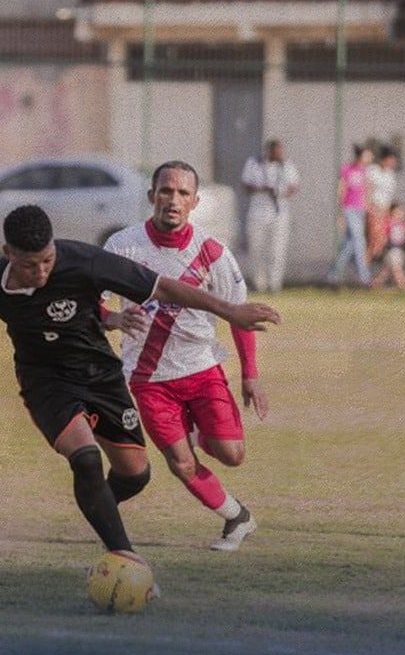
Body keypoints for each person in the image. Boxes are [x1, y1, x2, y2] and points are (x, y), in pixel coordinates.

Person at [0, 205, 280, 570]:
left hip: (101, 376)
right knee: (86, 460)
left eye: (47, 260)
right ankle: (123, 554)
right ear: (8, 255)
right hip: (45, 382)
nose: (41, 271)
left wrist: (231, 311)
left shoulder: (84, 261)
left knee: (135, 476)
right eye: (29, 264)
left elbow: (163, 286)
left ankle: (96, 506)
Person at [103, 161, 267, 552]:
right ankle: (237, 517)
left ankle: (198, 429)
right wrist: (111, 318)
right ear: (151, 197)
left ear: (195, 201)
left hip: (201, 369)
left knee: (232, 455)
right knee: (182, 463)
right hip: (147, 380)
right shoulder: (121, 247)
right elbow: (94, 301)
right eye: (165, 191)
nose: (172, 200)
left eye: (181, 193)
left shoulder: (212, 251)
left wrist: (250, 373)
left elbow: (238, 313)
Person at [241, 139, 299, 293]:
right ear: (269, 151)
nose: (280, 155)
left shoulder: (287, 166)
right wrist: (264, 189)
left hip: (279, 214)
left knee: (277, 250)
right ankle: (259, 284)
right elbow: (246, 185)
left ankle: (275, 284)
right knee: (256, 249)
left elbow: (293, 187)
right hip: (257, 213)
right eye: (276, 152)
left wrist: (280, 192)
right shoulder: (254, 163)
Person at [328, 145, 374, 287]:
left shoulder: (364, 171)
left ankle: (332, 276)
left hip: (360, 209)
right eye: (367, 155)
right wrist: (340, 211)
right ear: (360, 156)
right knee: (360, 241)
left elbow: (366, 190)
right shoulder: (347, 169)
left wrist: (368, 207)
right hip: (349, 209)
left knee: (349, 244)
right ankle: (364, 277)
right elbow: (341, 189)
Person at [371, 202, 405, 289]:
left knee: (385, 271)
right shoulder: (389, 223)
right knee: (397, 269)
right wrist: (378, 247)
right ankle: (402, 283)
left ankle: (374, 283)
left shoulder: (401, 224)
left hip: (397, 250)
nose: (401, 213)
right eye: (398, 212)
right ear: (392, 212)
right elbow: (383, 236)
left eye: (401, 212)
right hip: (392, 249)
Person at [365, 148, 399, 264]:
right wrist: (369, 207)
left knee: (382, 241)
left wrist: (389, 214)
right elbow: (367, 189)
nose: (392, 163)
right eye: (390, 160)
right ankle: (364, 267)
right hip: (374, 209)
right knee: (375, 238)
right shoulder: (372, 171)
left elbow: (389, 196)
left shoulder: (391, 175)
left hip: (385, 211)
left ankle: (365, 264)